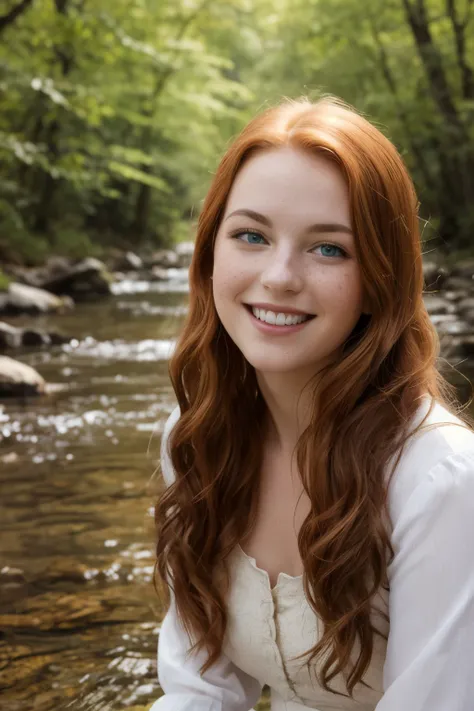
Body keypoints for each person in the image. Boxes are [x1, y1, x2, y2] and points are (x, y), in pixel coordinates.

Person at [150, 96, 474, 711]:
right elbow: (200, 690)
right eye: (250, 235)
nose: (279, 276)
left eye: (328, 248)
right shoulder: (196, 439)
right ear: (210, 254)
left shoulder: (440, 482)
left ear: (380, 280)